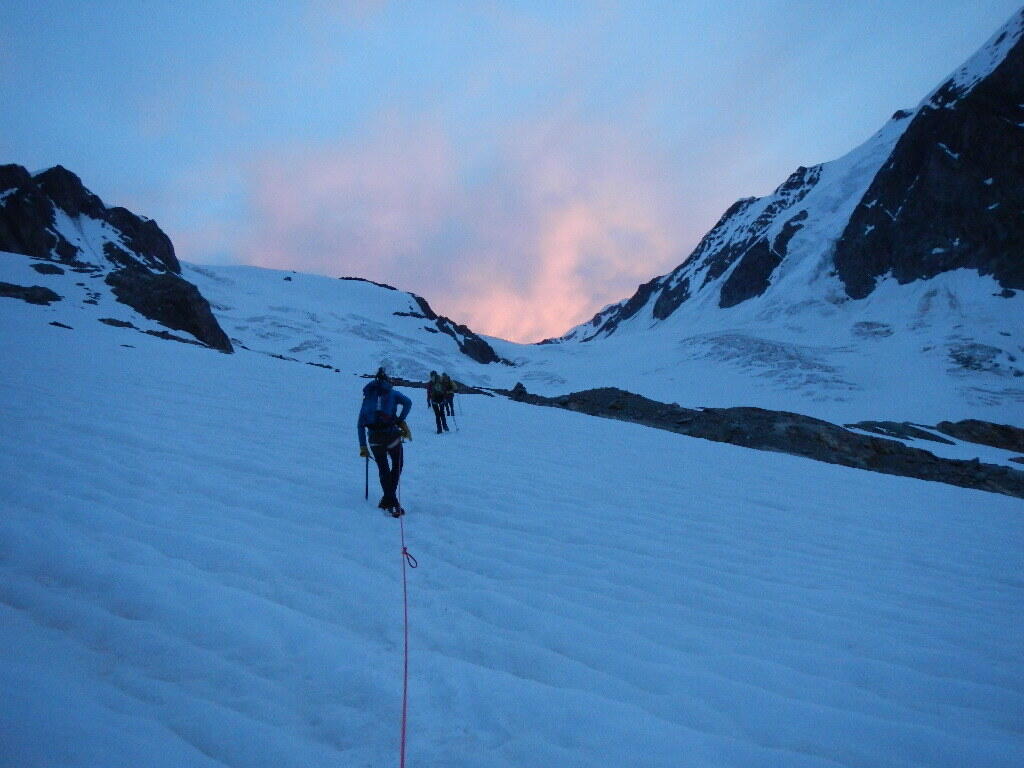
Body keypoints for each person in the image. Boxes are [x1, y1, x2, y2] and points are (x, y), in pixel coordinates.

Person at [358, 368, 412, 517]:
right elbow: (408, 403)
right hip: (391, 435)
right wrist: (400, 420)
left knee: (383, 468)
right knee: (397, 464)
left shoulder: (368, 397)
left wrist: (363, 446)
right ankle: (392, 501)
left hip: (374, 439)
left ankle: (387, 499)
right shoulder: (392, 393)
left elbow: (360, 424)